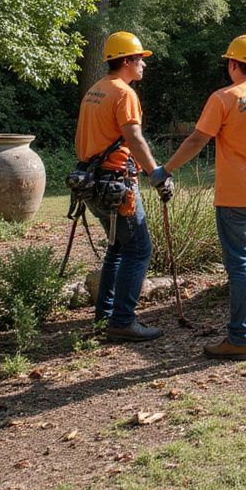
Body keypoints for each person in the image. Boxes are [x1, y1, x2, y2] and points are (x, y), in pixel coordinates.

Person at [154, 35, 246, 361]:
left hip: (237, 196)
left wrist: (166, 169)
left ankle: (241, 338)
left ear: (232, 64)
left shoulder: (224, 98)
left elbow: (198, 139)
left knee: (242, 263)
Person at [75, 31, 172, 342]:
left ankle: (105, 316)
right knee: (139, 248)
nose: (144, 64)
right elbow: (134, 138)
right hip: (117, 183)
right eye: (140, 59)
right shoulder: (124, 94)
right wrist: (157, 174)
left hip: (91, 182)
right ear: (128, 61)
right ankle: (123, 320)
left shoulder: (95, 90)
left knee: (118, 248)